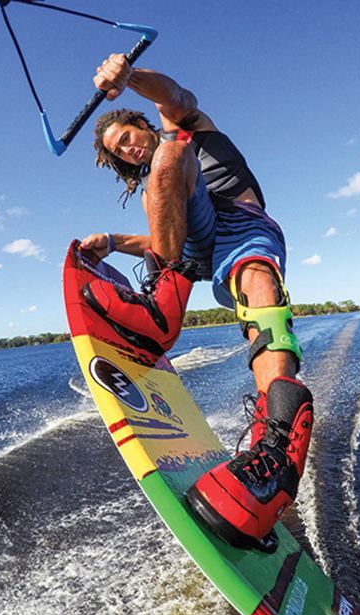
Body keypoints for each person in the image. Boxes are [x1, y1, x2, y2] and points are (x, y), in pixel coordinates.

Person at [75, 54, 313, 552]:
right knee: (162, 177)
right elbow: (165, 238)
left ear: (141, 122)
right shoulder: (153, 191)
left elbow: (173, 96)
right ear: (120, 160)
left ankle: (275, 452)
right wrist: (115, 241)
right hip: (190, 249)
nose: (133, 145)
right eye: (122, 148)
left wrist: (130, 79)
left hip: (242, 230)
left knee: (255, 280)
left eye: (131, 133)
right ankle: (162, 301)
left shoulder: (181, 127)